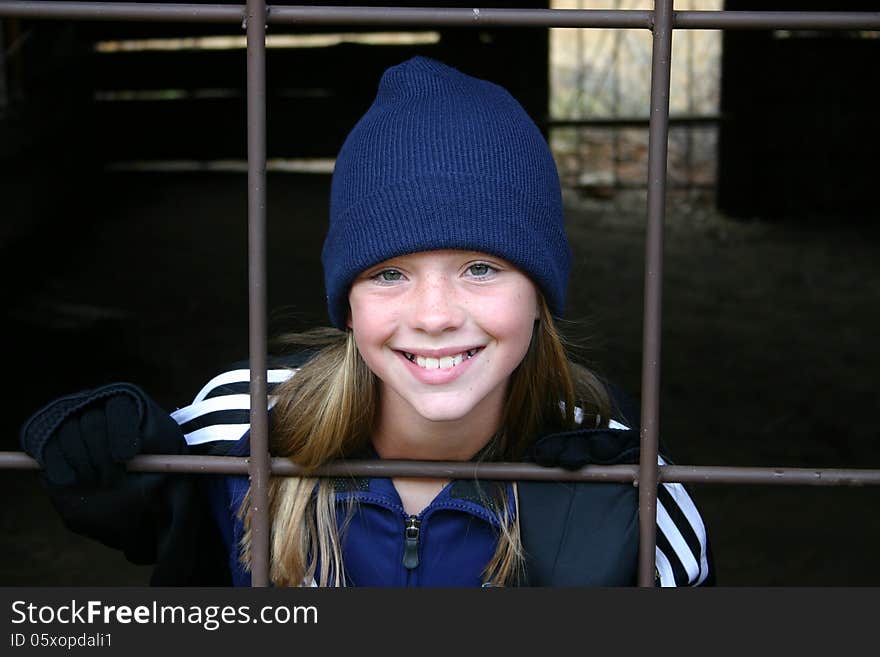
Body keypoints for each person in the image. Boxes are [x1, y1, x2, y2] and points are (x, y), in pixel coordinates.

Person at [20, 56, 713, 587]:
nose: (435, 315)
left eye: (481, 267)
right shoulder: (239, 422)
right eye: (388, 273)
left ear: (542, 291)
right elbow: (163, 548)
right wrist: (99, 452)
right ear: (345, 300)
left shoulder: (629, 483)